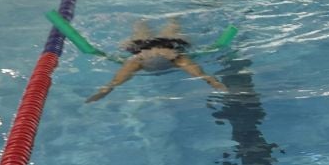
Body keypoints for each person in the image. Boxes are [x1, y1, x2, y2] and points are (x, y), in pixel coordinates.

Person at [85, 19, 226, 102]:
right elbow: (203, 75)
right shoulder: (178, 60)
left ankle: (147, 21)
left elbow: (114, 83)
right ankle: (172, 18)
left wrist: (102, 93)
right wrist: (217, 85)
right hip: (163, 44)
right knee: (171, 27)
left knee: (141, 29)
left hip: (148, 46)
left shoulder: (136, 63)